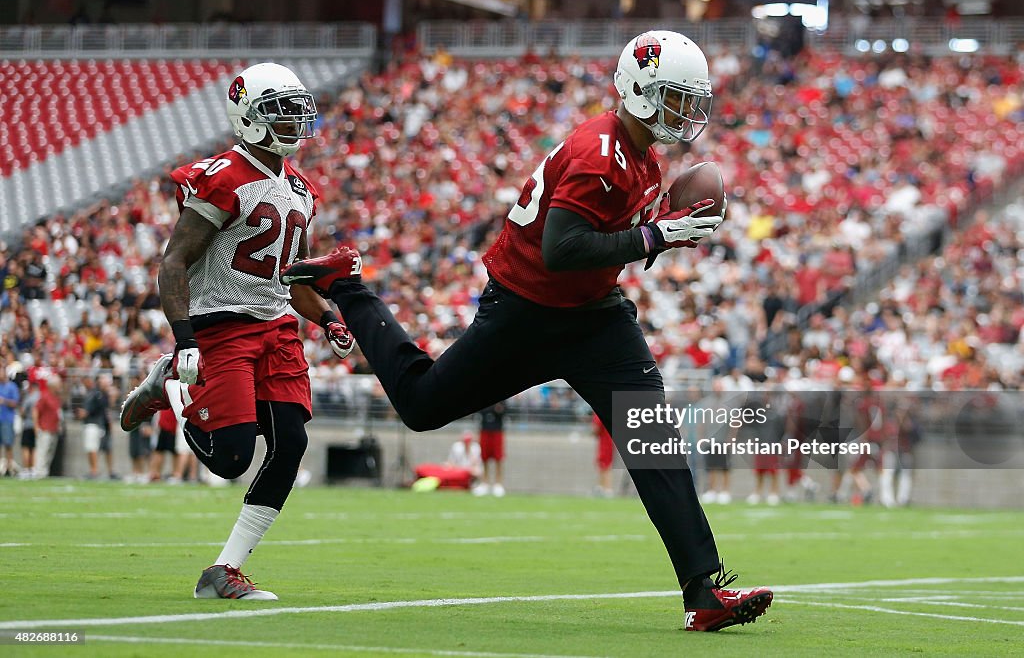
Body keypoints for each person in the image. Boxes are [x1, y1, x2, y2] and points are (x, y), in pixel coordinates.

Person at [284, 31, 772, 631]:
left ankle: (703, 591)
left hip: (596, 318)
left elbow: (602, 242)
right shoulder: (601, 151)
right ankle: (350, 287)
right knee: (420, 405)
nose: (684, 113)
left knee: (655, 442)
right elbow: (562, 248)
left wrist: (656, 228)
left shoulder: (643, 152)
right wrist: (655, 236)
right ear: (641, 89)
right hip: (528, 310)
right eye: (674, 97)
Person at [119, 62, 354, 600]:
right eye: (281, 111)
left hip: (278, 327)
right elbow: (174, 262)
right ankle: (172, 386)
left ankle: (222, 571)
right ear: (247, 117)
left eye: (298, 110)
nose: (295, 122)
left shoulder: (300, 188)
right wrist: (185, 340)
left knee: (290, 442)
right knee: (229, 459)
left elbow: (288, 278)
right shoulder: (223, 176)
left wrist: (328, 316)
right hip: (222, 325)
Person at [473, 401, 507, 496]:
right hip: (484, 430)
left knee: (498, 458)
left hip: (497, 431)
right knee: (484, 458)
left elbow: (502, 411)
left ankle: (498, 484)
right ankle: (484, 483)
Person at [32, 377, 62, 478]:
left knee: (50, 452)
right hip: (45, 428)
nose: (60, 386)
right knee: (42, 451)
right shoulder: (45, 396)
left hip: (54, 429)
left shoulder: (56, 397)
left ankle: (44, 472)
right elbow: (35, 410)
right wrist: (36, 426)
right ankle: (39, 472)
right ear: (52, 386)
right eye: (58, 384)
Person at [0, 363, 21, 477]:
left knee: (8, 444)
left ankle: (9, 468)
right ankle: (1, 467)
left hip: (7, 419)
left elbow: (15, 403)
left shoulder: (11, 386)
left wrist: (4, 401)